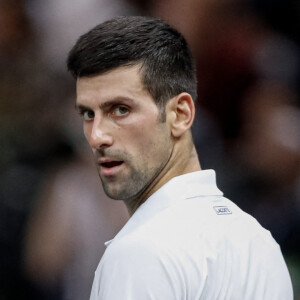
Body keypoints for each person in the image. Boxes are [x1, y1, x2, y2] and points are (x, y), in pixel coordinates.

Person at [66, 16, 293, 300]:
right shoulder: (259, 241)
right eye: (88, 113)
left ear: (181, 114)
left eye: (120, 109)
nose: (97, 136)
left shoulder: (139, 252)